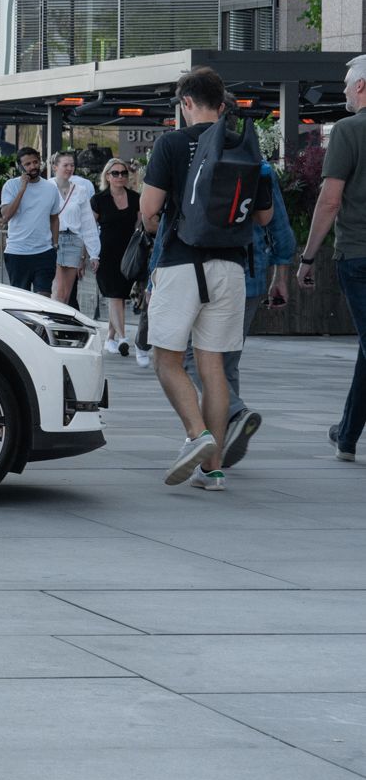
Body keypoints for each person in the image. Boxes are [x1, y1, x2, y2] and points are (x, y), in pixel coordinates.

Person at [143, 66, 278, 488]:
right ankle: (213, 469)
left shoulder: (170, 144)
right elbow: (264, 216)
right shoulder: (245, 147)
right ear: (222, 106)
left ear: (185, 103)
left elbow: (149, 212)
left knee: (166, 360)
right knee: (213, 365)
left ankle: (196, 435)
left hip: (182, 261)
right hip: (232, 268)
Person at [180, 154, 294, 455]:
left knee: (193, 356)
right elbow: (278, 225)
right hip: (250, 275)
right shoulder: (260, 168)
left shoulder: (193, 162)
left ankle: (235, 414)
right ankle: (224, 443)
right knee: (226, 362)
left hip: (200, 274)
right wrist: (281, 275)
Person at [299, 52, 366, 461]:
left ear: (361, 86)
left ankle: (346, 434)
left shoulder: (349, 130)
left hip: (358, 255)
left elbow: (330, 200)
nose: (341, 89)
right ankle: (346, 434)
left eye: (345, 83)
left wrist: (308, 258)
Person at [90, 159, 141, 354]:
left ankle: (110, 338)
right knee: (114, 296)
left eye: (123, 173)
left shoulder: (136, 198)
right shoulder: (98, 200)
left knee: (119, 296)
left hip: (129, 254)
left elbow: (139, 227)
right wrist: (88, 255)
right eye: (115, 173)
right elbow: (89, 229)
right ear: (107, 176)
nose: (120, 176)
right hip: (106, 254)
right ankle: (122, 338)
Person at [0, 147, 61, 294]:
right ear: (20, 166)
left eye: (35, 162)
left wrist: (55, 245)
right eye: (28, 164)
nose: (33, 167)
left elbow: (55, 218)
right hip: (17, 253)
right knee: (21, 301)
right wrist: (22, 190)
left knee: (44, 298)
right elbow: (6, 216)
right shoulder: (11, 185)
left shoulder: (50, 188)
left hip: (44, 252)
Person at [50, 152, 97, 307]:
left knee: (66, 294)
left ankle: (61, 328)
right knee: (56, 289)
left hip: (73, 241)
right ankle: (52, 324)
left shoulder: (80, 190)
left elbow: (88, 222)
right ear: (55, 167)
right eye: (66, 165)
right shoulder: (47, 187)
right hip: (53, 240)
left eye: (72, 165)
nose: (70, 168)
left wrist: (93, 253)